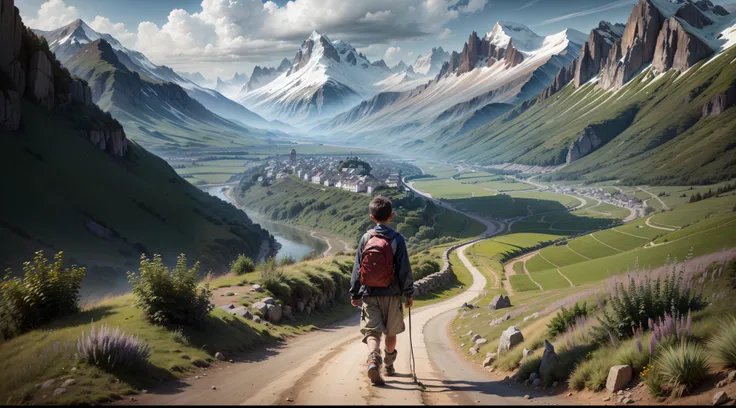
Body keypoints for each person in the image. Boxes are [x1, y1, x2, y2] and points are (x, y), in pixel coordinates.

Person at [349, 196, 414, 385]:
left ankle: (372, 358)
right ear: (391, 217)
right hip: (392, 294)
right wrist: (409, 293)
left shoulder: (366, 238)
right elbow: (404, 270)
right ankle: (388, 365)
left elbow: (357, 268)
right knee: (391, 333)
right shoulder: (398, 239)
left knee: (372, 331)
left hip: (369, 293)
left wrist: (355, 293)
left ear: (371, 217)